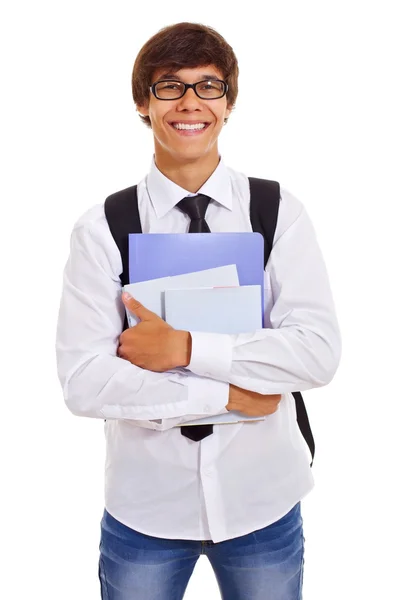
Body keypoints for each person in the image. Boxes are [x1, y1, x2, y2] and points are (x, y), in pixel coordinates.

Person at [56, 21, 341, 600]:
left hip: (262, 501)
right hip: (147, 511)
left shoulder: (275, 211)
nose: (190, 103)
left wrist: (185, 348)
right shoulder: (104, 230)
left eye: (208, 86)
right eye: (170, 86)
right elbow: (84, 382)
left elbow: (316, 353)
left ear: (229, 103)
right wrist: (231, 394)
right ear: (143, 103)